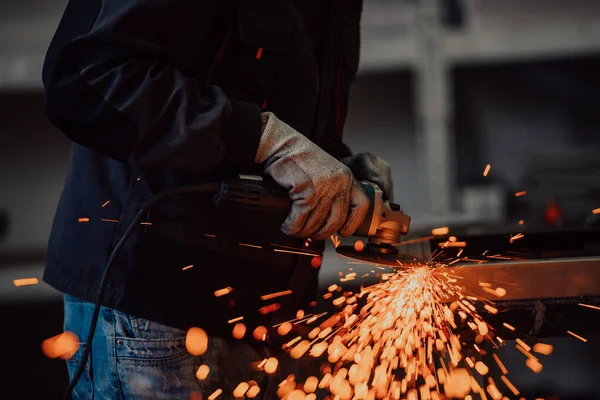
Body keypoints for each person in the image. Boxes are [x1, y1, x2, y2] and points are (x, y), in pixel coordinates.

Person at [42, 0, 393, 398]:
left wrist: (337, 169)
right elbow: (88, 79)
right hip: (154, 319)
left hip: (268, 317)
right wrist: (260, 138)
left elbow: (281, 99)